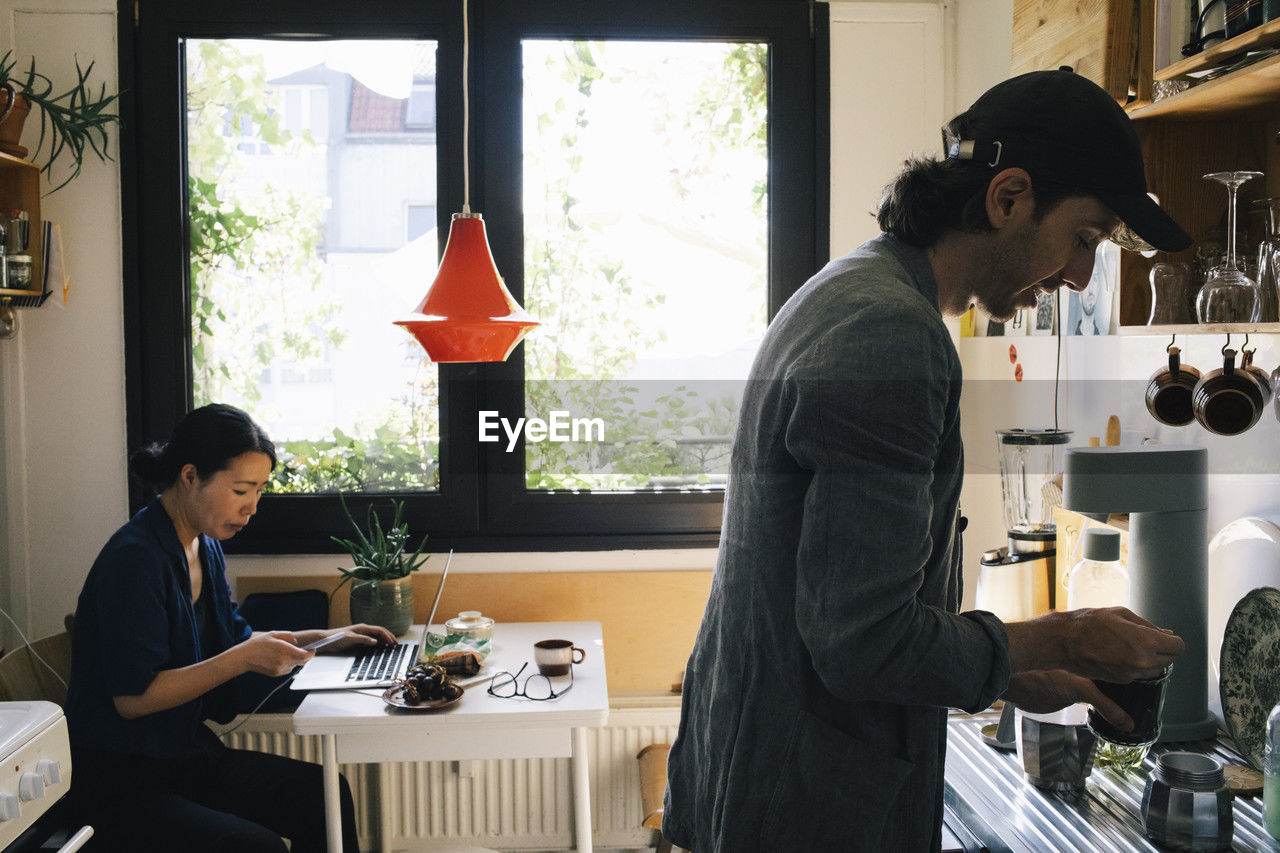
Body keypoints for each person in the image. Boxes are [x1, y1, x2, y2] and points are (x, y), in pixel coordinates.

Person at [663, 69, 1191, 852]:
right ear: (1008, 197)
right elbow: (863, 641)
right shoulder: (893, 337)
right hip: (807, 809)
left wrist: (1004, 670)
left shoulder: (854, 287)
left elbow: (845, 611)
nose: (1082, 277)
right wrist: (1063, 637)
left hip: (758, 773)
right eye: (1083, 238)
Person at [65, 403, 397, 852]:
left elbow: (235, 639)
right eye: (242, 489)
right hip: (122, 779)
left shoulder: (205, 545)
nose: (252, 506)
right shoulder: (135, 559)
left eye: (259, 490)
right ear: (190, 476)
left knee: (323, 797)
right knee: (257, 846)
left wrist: (322, 639)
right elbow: (133, 698)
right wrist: (242, 659)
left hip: (180, 757)